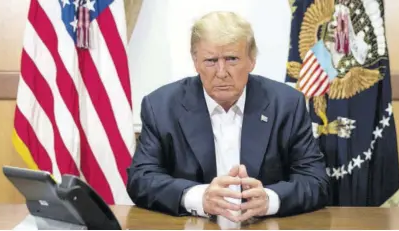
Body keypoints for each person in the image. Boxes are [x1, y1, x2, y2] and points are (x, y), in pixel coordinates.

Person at [127, 11, 329, 222]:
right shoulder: (161, 106)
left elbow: (315, 181)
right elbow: (141, 179)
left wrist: (269, 199)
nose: (221, 72)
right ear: (195, 62)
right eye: (211, 61)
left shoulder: (287, 104)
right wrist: (198, 197)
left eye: (232, 59)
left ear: (252, 60)